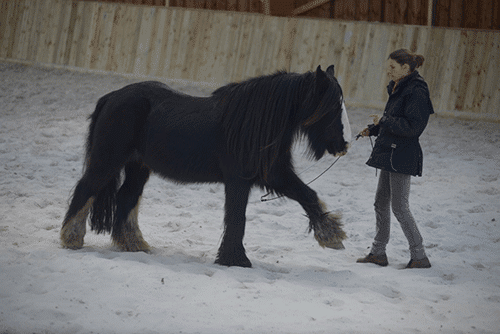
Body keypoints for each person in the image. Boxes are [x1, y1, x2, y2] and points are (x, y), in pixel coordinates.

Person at [356, 49, 434, 269]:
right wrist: (373, 129)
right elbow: (395, 120)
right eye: (387, 65)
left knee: (399, 207)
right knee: (381, 203)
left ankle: (419, 256)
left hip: (403, 155)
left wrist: (384, 120)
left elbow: (412, 128)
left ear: (405, 69)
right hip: (390, 152)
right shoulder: (399, 87)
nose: (388, 70)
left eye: (392, 67)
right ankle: (378, 253)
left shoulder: (417, 91)